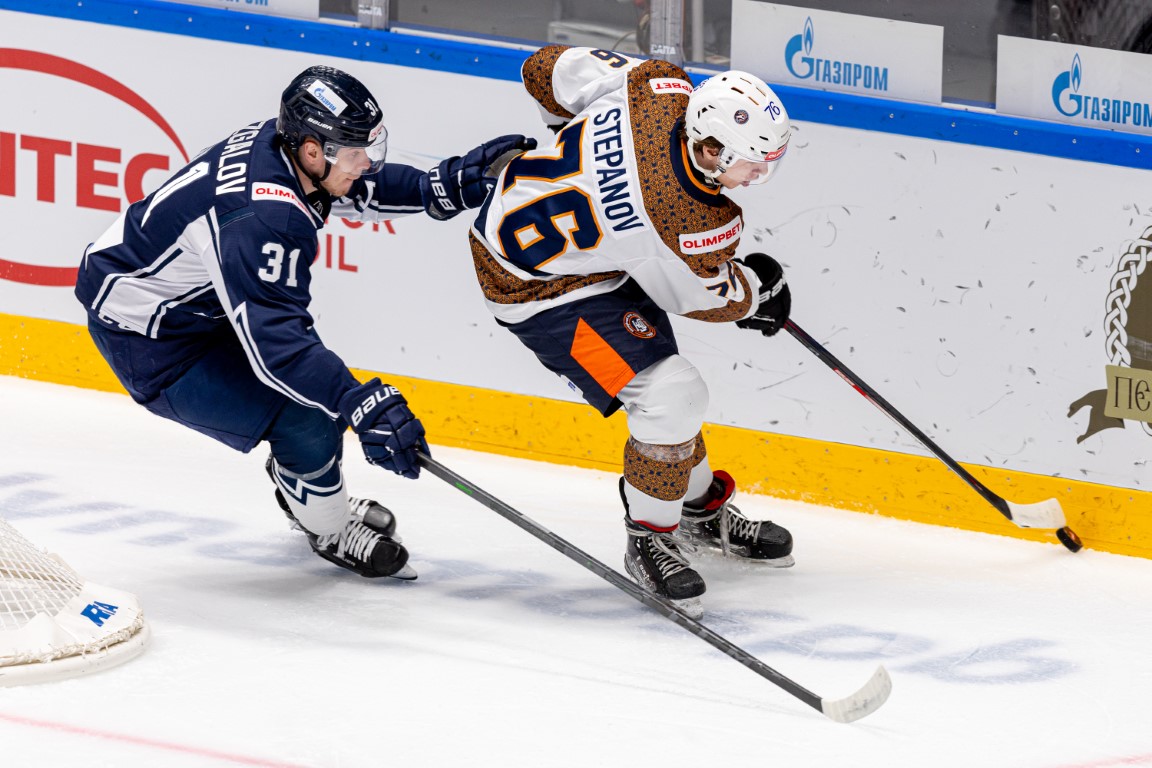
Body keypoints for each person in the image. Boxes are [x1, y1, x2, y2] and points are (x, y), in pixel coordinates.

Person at [75, 65, 534, 581]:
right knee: (308, 416)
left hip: (182, 303)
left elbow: (349, 188)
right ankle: (329, 527)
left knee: (318, 396)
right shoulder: (263, 217)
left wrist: (439, 185)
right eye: (354, 152)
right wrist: (356, 402)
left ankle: (305, 483)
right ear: (313, 151)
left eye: (367, 147)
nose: (365, 164)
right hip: (150, 340)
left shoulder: (284, 147)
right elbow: (278, 351)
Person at [468, 46, 794, 617]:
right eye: (752, 162)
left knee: (672, 400)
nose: (760, 175)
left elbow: (543, 69)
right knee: (670, 394)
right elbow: (697, 298)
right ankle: (650, 536)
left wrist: (576, 148)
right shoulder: (694, 220)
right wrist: (755, 295)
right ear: (711, 149)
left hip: (574, 252)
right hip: (534, 287)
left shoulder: (658, 86)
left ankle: (695, 510)